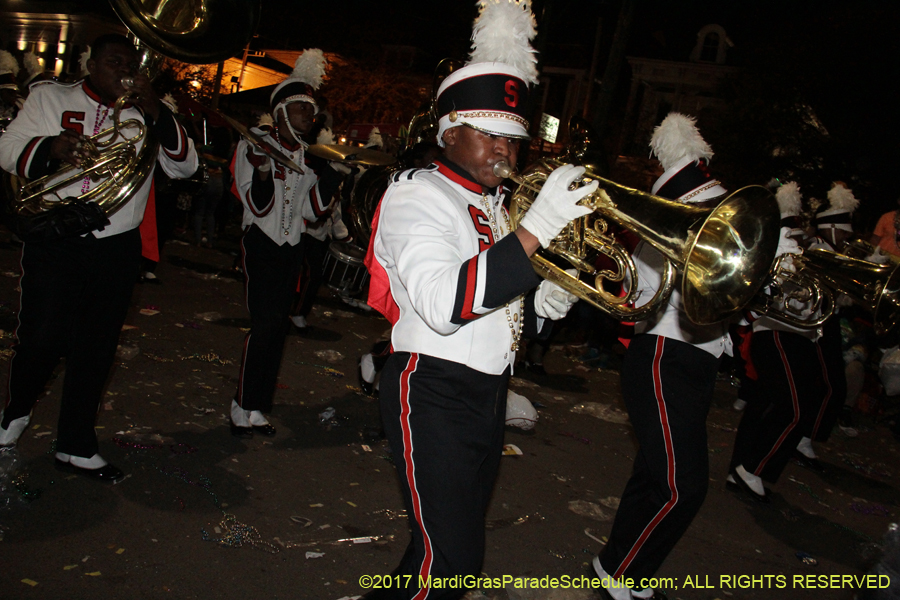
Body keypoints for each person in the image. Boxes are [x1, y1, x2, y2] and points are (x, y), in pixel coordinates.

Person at [363, 3, 594, 598]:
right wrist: (538, 226)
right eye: (491, 134)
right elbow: (445, 305)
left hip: (487, 391)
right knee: (455, 559)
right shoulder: (417, 195)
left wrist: (545, 300)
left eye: (515, 140)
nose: (506, 152)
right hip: (431, 388)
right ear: (449, 131)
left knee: (435, 546)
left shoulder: (496, 208)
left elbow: (498, 306)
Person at [0, 34, 198, 481]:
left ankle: (75, 444)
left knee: (96, 348)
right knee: (43, 338)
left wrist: (156, 110)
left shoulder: (146, 115)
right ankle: (15, 410)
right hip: (57, 238)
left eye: (131, 63)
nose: (125, 70)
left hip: (115, 244)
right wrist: (50, 147)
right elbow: (6, 149)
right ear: (90, 64)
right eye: (114, 61)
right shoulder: (50, 98)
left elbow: (185, 166)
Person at [591, 112, 733, 600]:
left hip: (698, 361)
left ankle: (616, 566)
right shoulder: (664, 232)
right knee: (683, 487)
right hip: (663, 356)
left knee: (655, 475)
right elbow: (640, 294)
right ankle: (622, 578)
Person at [229, 49, 345, 438]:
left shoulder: (309, 158)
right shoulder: (255, 141)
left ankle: (257, 406)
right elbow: (257, 204)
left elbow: (313, 212)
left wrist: (334, 175)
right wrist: (263, 169)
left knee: (277, 328)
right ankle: (241, 403)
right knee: (263, 324)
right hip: (260, 243)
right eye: (302, 110)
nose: (309, 119)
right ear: (280, 111)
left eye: (312, 113)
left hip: (291, 247)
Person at [726, 181, 826, 501]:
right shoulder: (781, 247)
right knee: (792, 409)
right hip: (777, 333)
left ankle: (740, 469)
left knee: (763, 405)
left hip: (794, 335)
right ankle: (751, 469)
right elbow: (781, 298)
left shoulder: (797, 248)